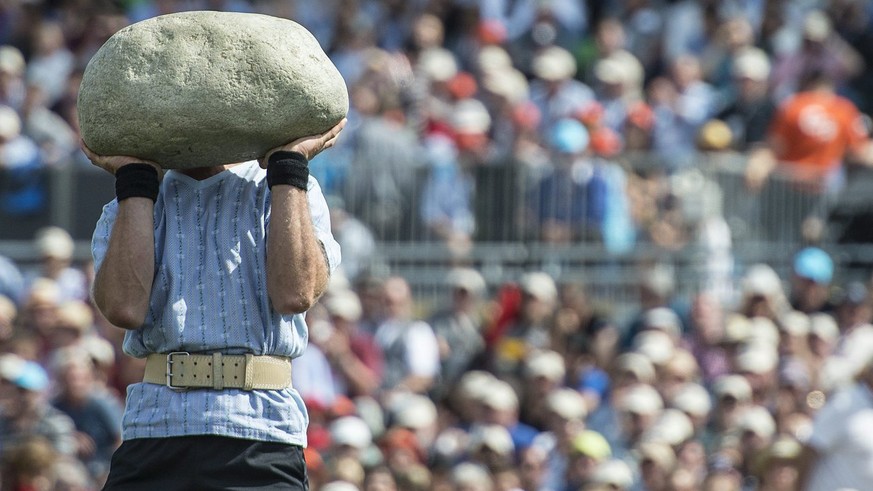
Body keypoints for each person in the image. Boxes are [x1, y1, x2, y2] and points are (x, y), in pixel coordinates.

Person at [84, 118, 346, 490]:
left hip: (262, 428)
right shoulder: (133, 196)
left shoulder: (285, 187)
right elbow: (124, 308)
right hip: (157, 428)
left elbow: (295, 294)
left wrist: (288, 166)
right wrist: (136, 183)